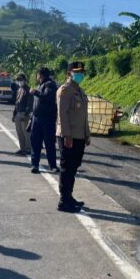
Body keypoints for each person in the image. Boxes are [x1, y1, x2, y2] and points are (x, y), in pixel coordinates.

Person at [56, 62, 91, 213]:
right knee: (67, 168)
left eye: (82, 72)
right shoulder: (65, 90)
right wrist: (67, 135)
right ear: (69, 73)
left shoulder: (79, 91)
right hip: (69, 136)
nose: (80, 74)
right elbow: (62, 114)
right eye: (77, 72)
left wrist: (87, 135)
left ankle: (69, 196)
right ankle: (63, 201)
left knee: (73, 169)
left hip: (79, 137)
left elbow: (84, 116)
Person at [30, 67, 59, 174]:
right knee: (35, 143)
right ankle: (35, 165)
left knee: (49, 143)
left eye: (37, 75)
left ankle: (53, 166)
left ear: (41, 75)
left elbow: (47, 97)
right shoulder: (40, 85)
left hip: (47, 119)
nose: (36, 77)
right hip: (37, 118)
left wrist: (35, 92)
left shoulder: (50, 85)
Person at [12, 73, 33, 155]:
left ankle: (28, 149)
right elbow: (16, 103)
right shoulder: (19, 89)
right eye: (18, 80)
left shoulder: (28, 89)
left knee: (26, 132)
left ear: (25, 80)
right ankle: (22, 148)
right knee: (19, 132)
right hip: (18, 113)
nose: (20, 81)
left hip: (25, 114)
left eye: (21, 79)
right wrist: (14, 114)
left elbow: (29, 104)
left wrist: (26, 114)